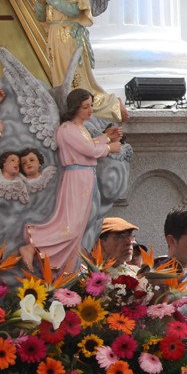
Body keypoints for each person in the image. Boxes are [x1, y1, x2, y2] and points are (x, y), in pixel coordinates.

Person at [21, 88, 123, 271]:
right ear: (75, 107)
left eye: (91, 105)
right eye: (85, 106)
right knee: (70, 225)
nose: (90, 110)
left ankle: (67, 269)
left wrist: (107, 137)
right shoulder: (66, 129)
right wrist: (110, 148)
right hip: (76, 178)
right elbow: (89, 150)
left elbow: (88, 145)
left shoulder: (80, 129)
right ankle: (33, 246)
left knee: (78, 227)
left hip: (85, 177)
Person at [30, 0, 126, 122]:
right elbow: (42, 17)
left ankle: (112, 104)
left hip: (70, 37)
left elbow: (75, 10)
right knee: (61, 85)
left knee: (76, 83)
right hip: (54, 38)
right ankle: (71, 117)